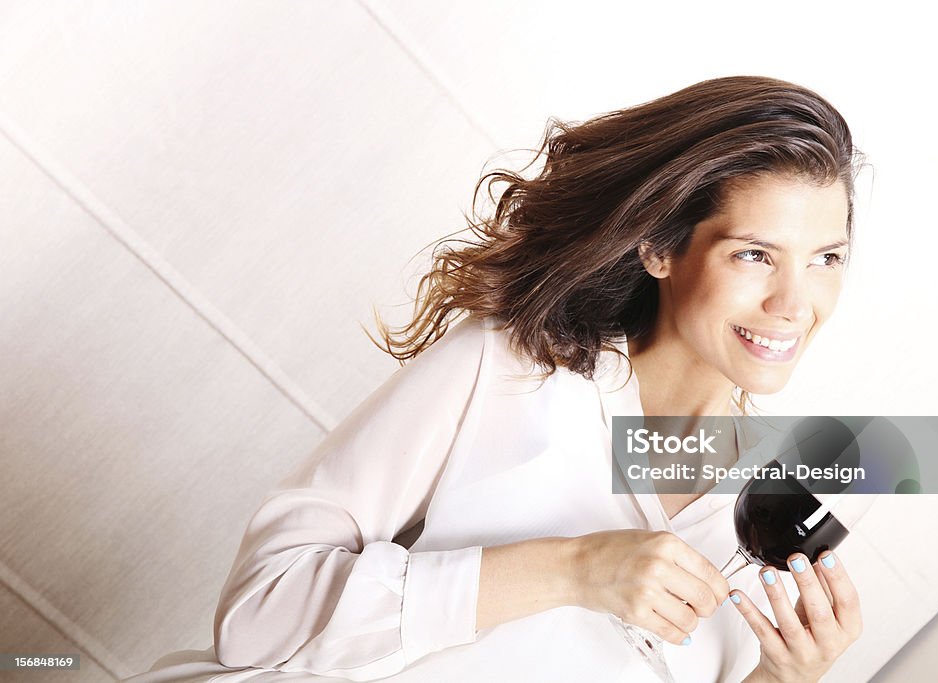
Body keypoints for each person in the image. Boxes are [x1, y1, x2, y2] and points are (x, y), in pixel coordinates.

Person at [125, 75, 866, 683]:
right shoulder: (511, 366)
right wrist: (573, 567)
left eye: (826, 258)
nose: (794, 305)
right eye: (755, 255)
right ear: (660, 248)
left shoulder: (775, 509)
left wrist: (783, 677)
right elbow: (259, 614)